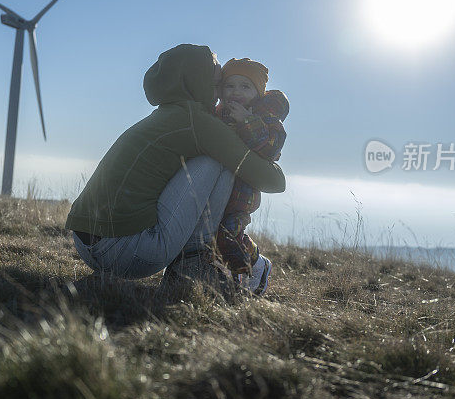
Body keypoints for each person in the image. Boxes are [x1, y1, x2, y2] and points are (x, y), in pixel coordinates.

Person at [65, 44, 285, 293]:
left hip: (85, 246)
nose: (221, 95)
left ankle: (192, 262)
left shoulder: (164, 116)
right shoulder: (199, 124)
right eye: (216, 86)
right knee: (217, 159)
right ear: (196, 82)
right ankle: (192, 263)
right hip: (129, 254)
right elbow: (275, 182)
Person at [214, 58, 289, 295]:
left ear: (258, 93)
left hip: (241, 194)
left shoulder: (266, 119)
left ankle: (256, 266)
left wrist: (246, 120)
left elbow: (270, 149)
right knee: (211, 237)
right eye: (230, 86)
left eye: (245, 87)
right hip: (214, 188)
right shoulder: (217, 113)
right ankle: (232, 277)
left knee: (229, 235)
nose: (236, 92)